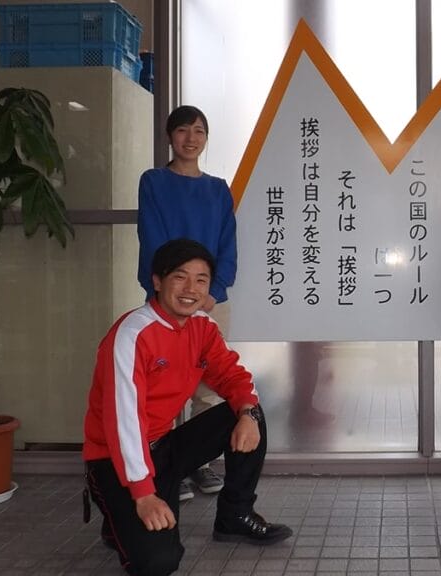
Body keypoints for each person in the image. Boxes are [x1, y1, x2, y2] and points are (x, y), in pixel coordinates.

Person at [84, 239, 292, 576]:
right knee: (159, 562)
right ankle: (117, 514)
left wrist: (247, 412)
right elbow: (124, 422)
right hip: (115, 456)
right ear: (157, 281)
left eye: (201, 279)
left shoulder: (201, 326)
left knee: (248, 413)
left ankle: (234, 515)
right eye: (180, 277)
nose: (191, 289)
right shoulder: (132, 335)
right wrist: (144, 495)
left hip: (164, 448)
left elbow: (233, 376)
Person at [137, 105, 237, 499]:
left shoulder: (218, 189)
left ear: (206, 138)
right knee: (161, 384)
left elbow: (228, 243)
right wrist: (172, 291)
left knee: (209, 386)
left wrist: (213, 291)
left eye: (199, 131)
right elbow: (151, 239)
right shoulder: (154, 181)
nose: (191, 138)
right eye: (182, 130)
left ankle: (200, 462)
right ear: (170, 136)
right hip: (166, 301)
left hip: (210, 301)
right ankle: (164, 465)